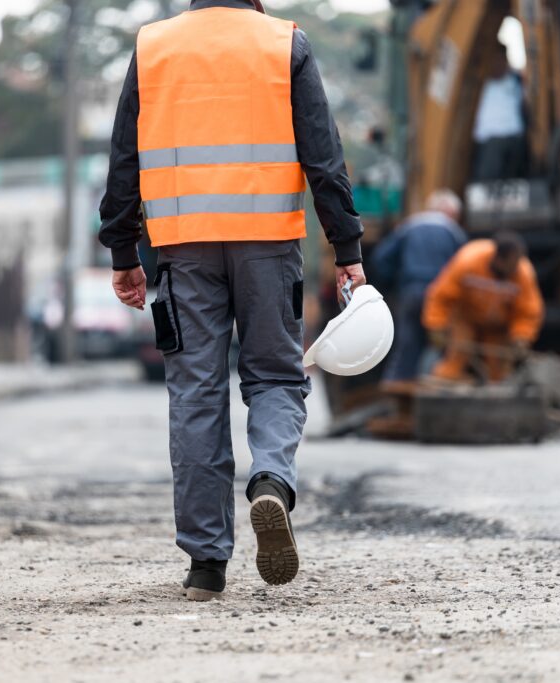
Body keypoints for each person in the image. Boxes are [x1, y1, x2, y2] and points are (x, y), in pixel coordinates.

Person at [99, 0, 365, 600]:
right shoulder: (283, 43)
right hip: (268, 244)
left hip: (182, 247)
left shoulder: (154, 46)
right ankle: (270, 480)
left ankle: (205, 564)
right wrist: (346, 247)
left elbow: (124, 157)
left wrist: (122, 250)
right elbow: (324, 156)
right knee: (274, 375)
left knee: (196, 391)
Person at [423, 231, 543, 382]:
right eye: (510, 266)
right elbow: (441, 295)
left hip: (498, 325)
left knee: (498, 366)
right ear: (498, 259)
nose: (514, 270)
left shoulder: (523, 272)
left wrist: (522, 336)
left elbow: (528, 311)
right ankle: (445, 384)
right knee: (457, 354)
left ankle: (497, 395)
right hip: (466, 318)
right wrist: (436, 325)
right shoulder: (469, 261)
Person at [373, 189, 467, 382]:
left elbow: (381, 258)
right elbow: (465, 267)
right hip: (441, 298)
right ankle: (436, 389)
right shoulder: (454, 233)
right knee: (442, 345)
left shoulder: (409, 226)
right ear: (451, 212)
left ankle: (397, 390)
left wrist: (392, 283)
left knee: (407, 345)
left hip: (411, 291)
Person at [471, 43, 528, 182]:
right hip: (488, 144)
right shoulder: (478, 85)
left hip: (515, 142)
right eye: (493, 59)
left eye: (500, 59)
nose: (497, 64)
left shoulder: (517, 81)